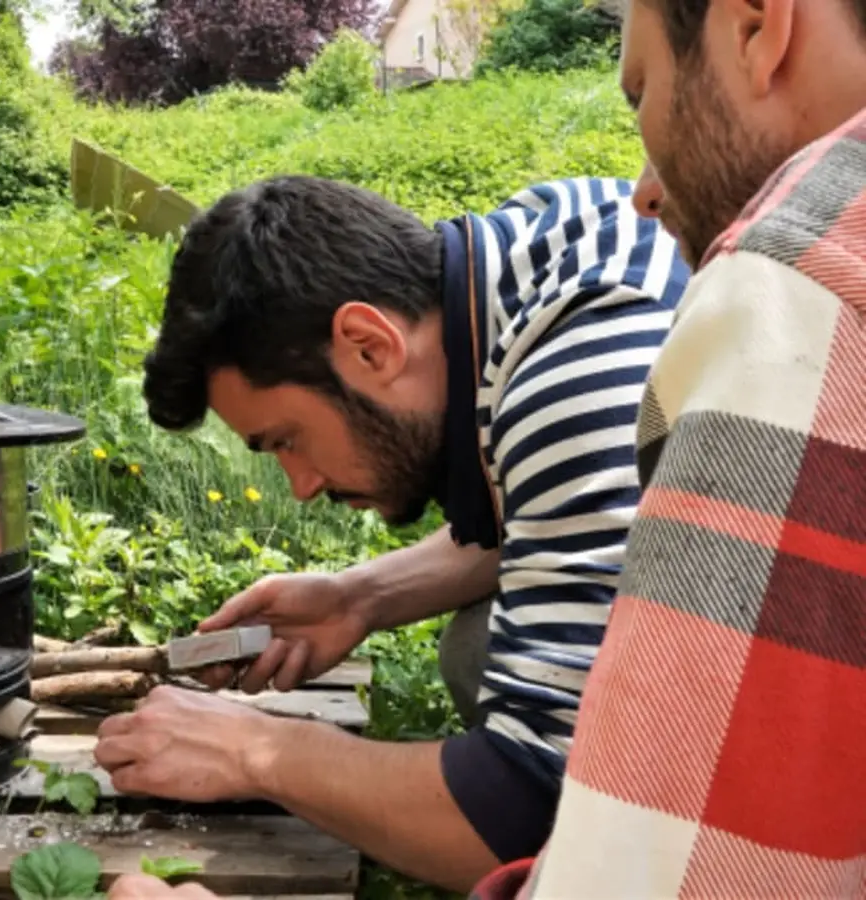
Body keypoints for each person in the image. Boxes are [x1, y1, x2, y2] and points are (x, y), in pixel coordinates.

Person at [94, 171, 691, 895]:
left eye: (286, 440)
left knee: (482, 650)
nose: (302, 485)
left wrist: (259, 751)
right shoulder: (540, 243)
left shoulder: (576, 380)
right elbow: (565, 516)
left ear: (369, 346)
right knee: (478, 643)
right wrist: (360, 598)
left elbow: (542, 815)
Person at [463, 0, 866, 897]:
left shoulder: (798, 293)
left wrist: (258, 749)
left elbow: (659, 877)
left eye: (643, 87)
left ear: (759, 26)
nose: (640, 190)